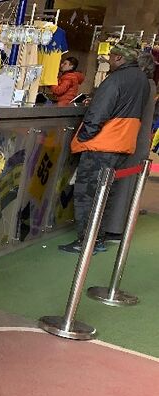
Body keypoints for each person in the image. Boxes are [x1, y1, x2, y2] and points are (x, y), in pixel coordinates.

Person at [59, 39, 152, 254]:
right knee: (104, 194)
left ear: (119, 57)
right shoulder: (141, 79)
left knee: (87, 194)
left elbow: (98, 113)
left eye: (111, 56)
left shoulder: (115, 79)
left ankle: (85, 241)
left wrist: (84, 135)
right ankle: (98, 239)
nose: (109, 60)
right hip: (123, 143)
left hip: (102, 144)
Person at [103, 51, 157, 241]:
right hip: (138, 141)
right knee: (128, 186)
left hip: (130, 140)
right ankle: (118, 226)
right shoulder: (150, 85)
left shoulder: (141, 85)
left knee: (122, 187)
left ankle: (114, 228)